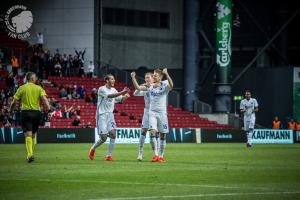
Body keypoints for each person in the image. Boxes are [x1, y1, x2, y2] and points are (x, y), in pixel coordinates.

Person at [131, 68, 173, 162]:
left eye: (151, 76)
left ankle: (161, 156)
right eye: (146, 77)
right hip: (150, 112)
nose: (148, 79)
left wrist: (166, 74)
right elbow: (137, 90)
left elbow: (171, 85)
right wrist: (133, 78)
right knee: (151, 132)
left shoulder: (164, 85)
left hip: (162, 113)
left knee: (162, 134)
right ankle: (153, 155)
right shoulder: (149, 86)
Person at [8, 72, 51, 163]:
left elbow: (14, 102)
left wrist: (10, 110)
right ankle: (31, 154)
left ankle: (30, 154)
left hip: (26, 113)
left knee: (28, 134)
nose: (36, 79)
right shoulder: (39, 88)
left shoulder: (21, 88)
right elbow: (44, 99)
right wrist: (49, 109)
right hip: (36, 113)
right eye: (35, 77)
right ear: (31, 78)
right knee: (33, 134)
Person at [89, 74, 130, 161]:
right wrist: (122, 92)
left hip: (110, 115)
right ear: (107, 80)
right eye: (112, 79)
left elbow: (119, 99)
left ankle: (109, 155)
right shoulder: (101, 89)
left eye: (114, 79)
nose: (113, 80)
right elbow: (111, 96)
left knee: (113, 134)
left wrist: (125, 97)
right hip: (102, 115)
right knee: (103, 138)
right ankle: (92, 149)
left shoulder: (114, 89)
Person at [132, 72, 153, 161]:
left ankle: (156, 154)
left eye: (148, 77)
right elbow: (135, 93)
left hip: (156, 112)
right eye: (145, 78)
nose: (147, 79)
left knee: (154, 134)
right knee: (143, 131)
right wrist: (141, 85)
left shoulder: (156, 87)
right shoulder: (145, 88)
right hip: (147, 112)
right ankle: (140, 153)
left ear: (152, 78)